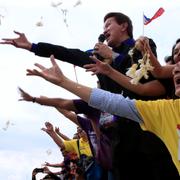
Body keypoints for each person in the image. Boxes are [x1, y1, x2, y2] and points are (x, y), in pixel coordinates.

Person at [2, 12, 173, 179]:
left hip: (148, 128)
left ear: (123, 26)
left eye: (108, 25)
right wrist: (33, 46)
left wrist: (112, 57)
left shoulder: (142, 44)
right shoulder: (98, 57)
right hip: (118, 135)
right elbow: (70, 53)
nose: (104, 30)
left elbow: (145, 77)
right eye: (103, 27)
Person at [26, 55, 180, 178]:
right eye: (175, 64)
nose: (176, 69)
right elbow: (109, 101)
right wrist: (62, 82)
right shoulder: (165, 111)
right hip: (111, 165)